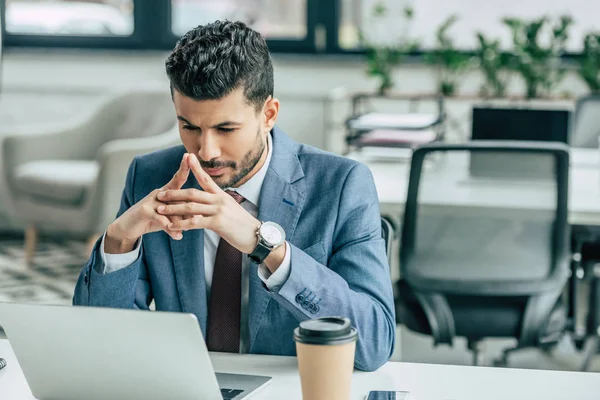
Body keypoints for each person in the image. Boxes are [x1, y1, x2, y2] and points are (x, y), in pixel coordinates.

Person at [73, 20, 395, 372]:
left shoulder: (342, 185)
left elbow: (375, 343)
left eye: (226, 128)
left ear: (268, 114)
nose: (206, 151)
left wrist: (267, 249)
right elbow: (100, 342)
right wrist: (118, 242)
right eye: (189, 126)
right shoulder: (152, 176)